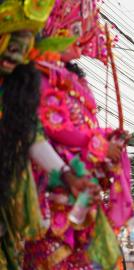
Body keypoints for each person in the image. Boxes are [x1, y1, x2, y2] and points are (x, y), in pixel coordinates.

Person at [0, 1, 96, 268]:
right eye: (10, 45)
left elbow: (31, 135)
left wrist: (66, 174)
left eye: (22, 49)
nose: (13, 57)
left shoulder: (15, 92)